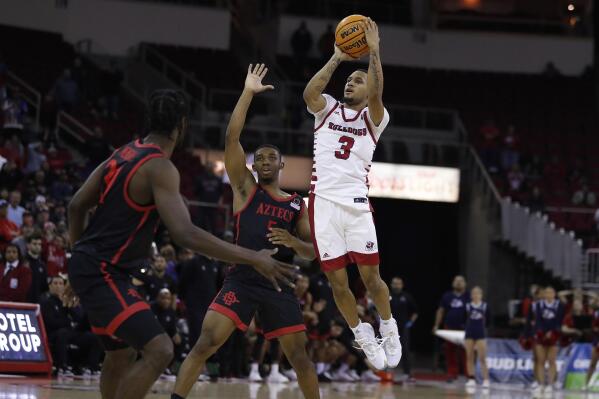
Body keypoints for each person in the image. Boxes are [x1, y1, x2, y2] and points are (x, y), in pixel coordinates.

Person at [66, 88, 296, 399]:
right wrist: (253, 257)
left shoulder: (122, 153)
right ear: (182, 126)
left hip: (95, 267)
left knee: (121, 355)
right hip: (103, 271)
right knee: (161, 350)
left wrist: (76, 260)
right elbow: (185, 234)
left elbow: (76, 206)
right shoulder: (160, 167)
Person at [171, 64, 319, 399]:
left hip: (278, 282)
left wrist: (295, 241)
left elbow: (313, 253)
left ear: (282, 165)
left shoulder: (297, 205)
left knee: (299, 358)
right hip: (241, 278)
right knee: (205, 342)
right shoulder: (245, 190)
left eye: (272, 158)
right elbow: (231, 138)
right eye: (260, 158)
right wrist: (247, 93)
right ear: (253, 166)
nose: (265, 161)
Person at [302, 17, 401, 371]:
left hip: (356, 204)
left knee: (371, 279)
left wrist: (373, 52)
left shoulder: (375, 118)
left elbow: (377, 91)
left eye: (358, 80)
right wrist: (337, 58)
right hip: (323, 204)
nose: (350, 83)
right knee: (337, 283)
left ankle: (388, 326)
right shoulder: (327, 109)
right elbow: (309, 94)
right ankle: (362, 334)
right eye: (348, 80)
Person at [41, 276, 102, 376]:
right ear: (50, 287)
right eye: (55, 283)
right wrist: (68, 322)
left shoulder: (67, 301)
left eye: (61, 284)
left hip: (70, 332)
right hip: (54, 333)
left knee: (94, 337)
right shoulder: (46, 302)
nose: (58, 286)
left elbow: (79, 318)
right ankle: (63, 366)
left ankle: (92, 367)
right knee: (62, 334)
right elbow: (50, 322)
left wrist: (68, 305)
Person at [433, 275, 469, 382]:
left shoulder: (469, 296)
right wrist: (436, 325)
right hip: (449, 328)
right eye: (456, 281)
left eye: (461, 281)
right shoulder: (447, 296)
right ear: (453, 283)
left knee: (466, 352)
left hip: (464, 328)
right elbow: (441, 311)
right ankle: (452, 374)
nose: (458, 283)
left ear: (465, 284)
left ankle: (469, 375)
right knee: (450, 352)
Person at [531, 286, 564, 395]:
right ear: (544, 294)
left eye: (551, 292)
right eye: (547, 292)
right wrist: (542, 332)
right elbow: (538, 320)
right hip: (541, 335)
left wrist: (552, 332)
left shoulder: (559, 305)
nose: (549, 295)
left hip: (553, 335)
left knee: (551, 360)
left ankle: (550, 384)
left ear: (554, 294)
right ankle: (541, 384)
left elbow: (559, 320)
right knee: (541, 361)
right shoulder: (539, 304)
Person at [389, 277, 418, 381]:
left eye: (398, 284)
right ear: (391, 284)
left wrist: (410, 322)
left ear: (402, 285)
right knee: (388, 348)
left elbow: (415, 312)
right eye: (394, 283)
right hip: (389, 327)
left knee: (405, 350)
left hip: (403, 327)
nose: (396, 285)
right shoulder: (388, 296)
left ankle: (407, 373)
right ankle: (387, 372)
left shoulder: (407, 297)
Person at [464, 286, 490, 389]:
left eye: (478, 293)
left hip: (480, 334)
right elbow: (463, 319)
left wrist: (484, 329)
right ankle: (471, 378)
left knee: (482, 358)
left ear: (481, 295)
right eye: (474, 293)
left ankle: (486, 380)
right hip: (469, 333)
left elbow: (489, 320)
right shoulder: (467, 306)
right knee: (469, 356)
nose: (475, 295)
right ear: (471, 295)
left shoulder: (485, 306)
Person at [25, 233, 48, 303]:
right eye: (34, 244)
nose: (37, 246)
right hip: (23, 302)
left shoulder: (42, 265)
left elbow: (44, 286)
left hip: (37, 303)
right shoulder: (22, 262)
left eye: (39, 244)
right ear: (28, 245)